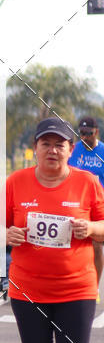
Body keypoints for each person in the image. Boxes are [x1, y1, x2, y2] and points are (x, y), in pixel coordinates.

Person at [6, 117, 104, 343]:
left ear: (71, 149)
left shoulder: (87, 183)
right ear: (35, 149)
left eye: (59, 144)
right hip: (27, 290)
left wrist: (90, 227)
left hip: (76, 288)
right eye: (45, 143)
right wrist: (5, 235)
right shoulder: (15, 182)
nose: (52, 149)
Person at [68, 116, 104, 289]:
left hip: (98, 205)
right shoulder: (73, 150)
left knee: (97, 245)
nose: (84, 137)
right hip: (76, 203)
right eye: (81, 133)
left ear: (96, 132)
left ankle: (93, 288)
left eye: (88, 133)